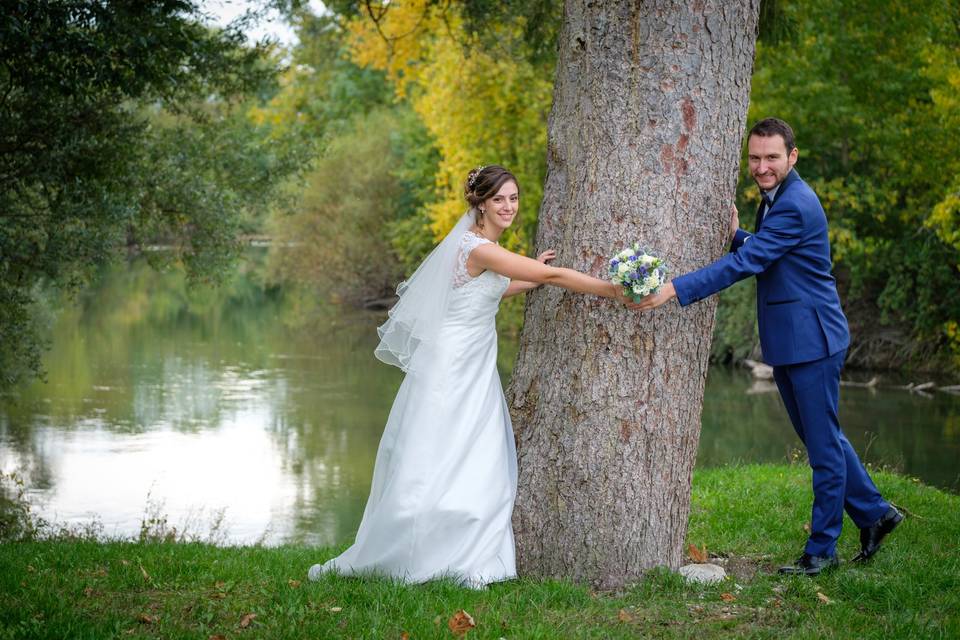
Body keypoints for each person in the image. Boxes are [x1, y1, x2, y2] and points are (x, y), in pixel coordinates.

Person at [308, 165, 623, 588]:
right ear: (480, 204)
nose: (508, 207)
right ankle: (431, 547)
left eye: (513, 198)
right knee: (449, 448)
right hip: (455, 366)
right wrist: (612, 290)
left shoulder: (475, 248)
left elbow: (484, 288)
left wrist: (524, 280)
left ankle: (446, 537)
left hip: (467, 360)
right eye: (499, 200)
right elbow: (550, 275)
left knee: (461, 448)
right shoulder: (478, 248)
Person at [633, 118, 902, 576]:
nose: (762, 167)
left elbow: (750, 263)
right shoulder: (778, 199)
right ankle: (877, 514)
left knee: (822, 447)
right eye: (755, 158)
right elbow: (774, 251)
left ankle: (821, 551)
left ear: (792, 156)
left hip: (812, 342)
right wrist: (740, 235)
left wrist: (674, 289)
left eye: (771, 157)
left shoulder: (794, 203)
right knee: (824, 439)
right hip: (793, 339)